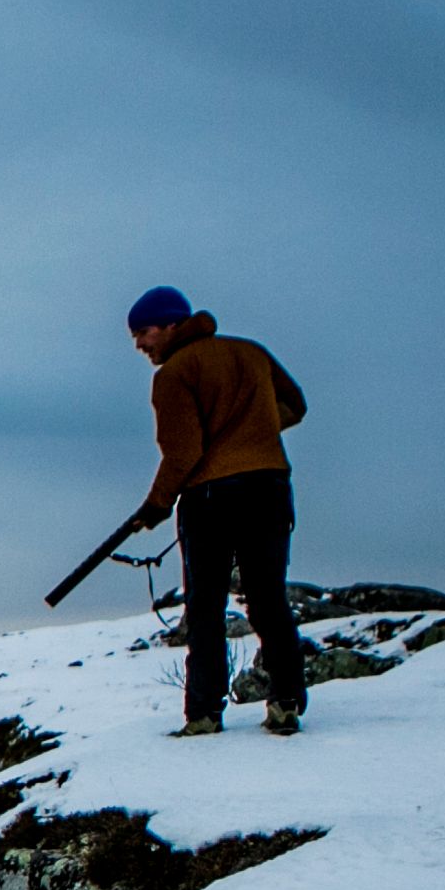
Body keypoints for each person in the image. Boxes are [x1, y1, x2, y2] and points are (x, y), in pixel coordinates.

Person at [117, 284, 310, 736]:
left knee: (205, 608)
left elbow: (183, 453)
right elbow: (295, 405)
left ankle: (203, 713)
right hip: (269, 486)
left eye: (144, 332)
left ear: (171, 324)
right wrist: (253, 433)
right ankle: (285, 702)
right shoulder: (251, 353)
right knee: (268, 599)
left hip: (211, 498)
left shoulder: (175, 375)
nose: (140, 344)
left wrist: (156, 505)